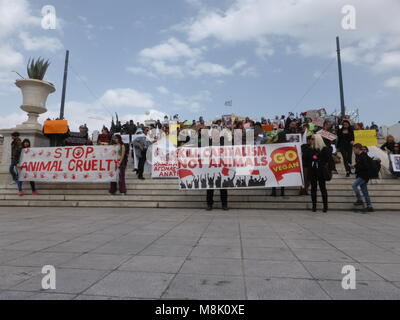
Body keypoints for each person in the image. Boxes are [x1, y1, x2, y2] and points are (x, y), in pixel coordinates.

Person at [307, 134, 331, 212]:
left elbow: (327, 159)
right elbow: (308, 158)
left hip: (321, 171)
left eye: (313, 139)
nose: (311, 140)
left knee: (322, 188)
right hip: (313, 171)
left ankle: (325, 206)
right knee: (313, 189)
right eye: (311, 139)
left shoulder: (325, 149)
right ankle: (314, 206)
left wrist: (318, 158)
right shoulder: (310, 149)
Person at [351, 144, 374, 213]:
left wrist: (356, 166)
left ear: (358, 149)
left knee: (354, 185)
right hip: (362, 175)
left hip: (364, 176)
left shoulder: (363, 156)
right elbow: (361, 165)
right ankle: (369, 206)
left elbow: (366, 166)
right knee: (365, 191)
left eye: (354, 149)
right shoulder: (359, 156)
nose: (353, 151)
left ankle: (359, 200)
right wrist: (354, 166)